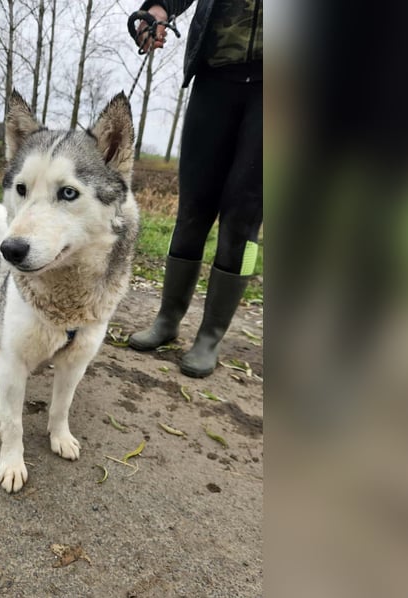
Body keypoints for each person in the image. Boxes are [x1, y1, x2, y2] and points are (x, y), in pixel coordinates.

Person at [127, 0, 263, 378]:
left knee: (243, 219)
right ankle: (168, 319)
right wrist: (156, 10)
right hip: (216, 76)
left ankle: (210, 336)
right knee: (192, 209)